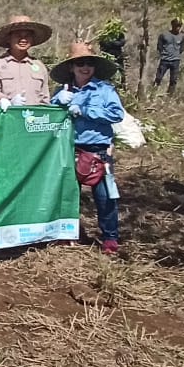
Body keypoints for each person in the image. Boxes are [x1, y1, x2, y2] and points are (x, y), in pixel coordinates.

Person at [50, 43, 127, 255]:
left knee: (105, 197)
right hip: (69, 149)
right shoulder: (62, 91)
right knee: (68, 194)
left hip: (98, 150)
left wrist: (84, 110)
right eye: (80, 63)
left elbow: (116, 114)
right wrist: (57, 102)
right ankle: (67, 233)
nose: (85, 67)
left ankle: (110, 238)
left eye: (89, 63)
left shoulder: (104, 90)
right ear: (71, 67)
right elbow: (50, 116)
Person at [0, 15, 53, 107]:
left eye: (27, 36)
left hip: (34, 119)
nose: (23, 39)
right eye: (18, 35)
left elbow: (45, 99)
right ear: (9, 38)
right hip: (7, 118)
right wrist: (3, 101)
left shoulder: (39, 66)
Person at [155, 18, 184, 95]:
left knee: (173, 80)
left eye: (179, 26)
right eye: (176, 26)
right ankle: (153, 92)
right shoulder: (164, 35)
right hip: (165, 60)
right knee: (158, 78)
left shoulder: (182, 37)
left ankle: (170, 96)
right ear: (172, 25)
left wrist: (176, 54)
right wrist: (163, 53)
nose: (178, 28)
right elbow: (159, 46)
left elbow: (182, 48)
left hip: (175, 60)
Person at [97, 22, 127, 86]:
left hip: (118, 58)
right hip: (107, 58)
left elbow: (121, 43)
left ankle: (121, 86)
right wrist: (111, 43)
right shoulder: (105, 35)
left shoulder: (120, 34)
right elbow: (102, 44)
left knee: (121, 73)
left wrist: (111, 43)